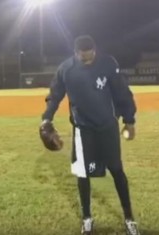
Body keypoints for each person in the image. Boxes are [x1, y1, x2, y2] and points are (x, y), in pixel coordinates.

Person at [40, 35, 140, 235]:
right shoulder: (66, 69)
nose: (86, 60)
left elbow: (122, 92)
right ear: (75, 53)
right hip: (82, 128)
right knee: (83, 174)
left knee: (116, 170)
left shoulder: (108, 63)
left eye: (90, 56)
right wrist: (46, 118)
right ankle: (87, 219)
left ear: (95, 50)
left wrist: (129, 121)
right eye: (82, 57)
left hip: (107, 127)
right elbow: (55, 95)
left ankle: (129, 219)